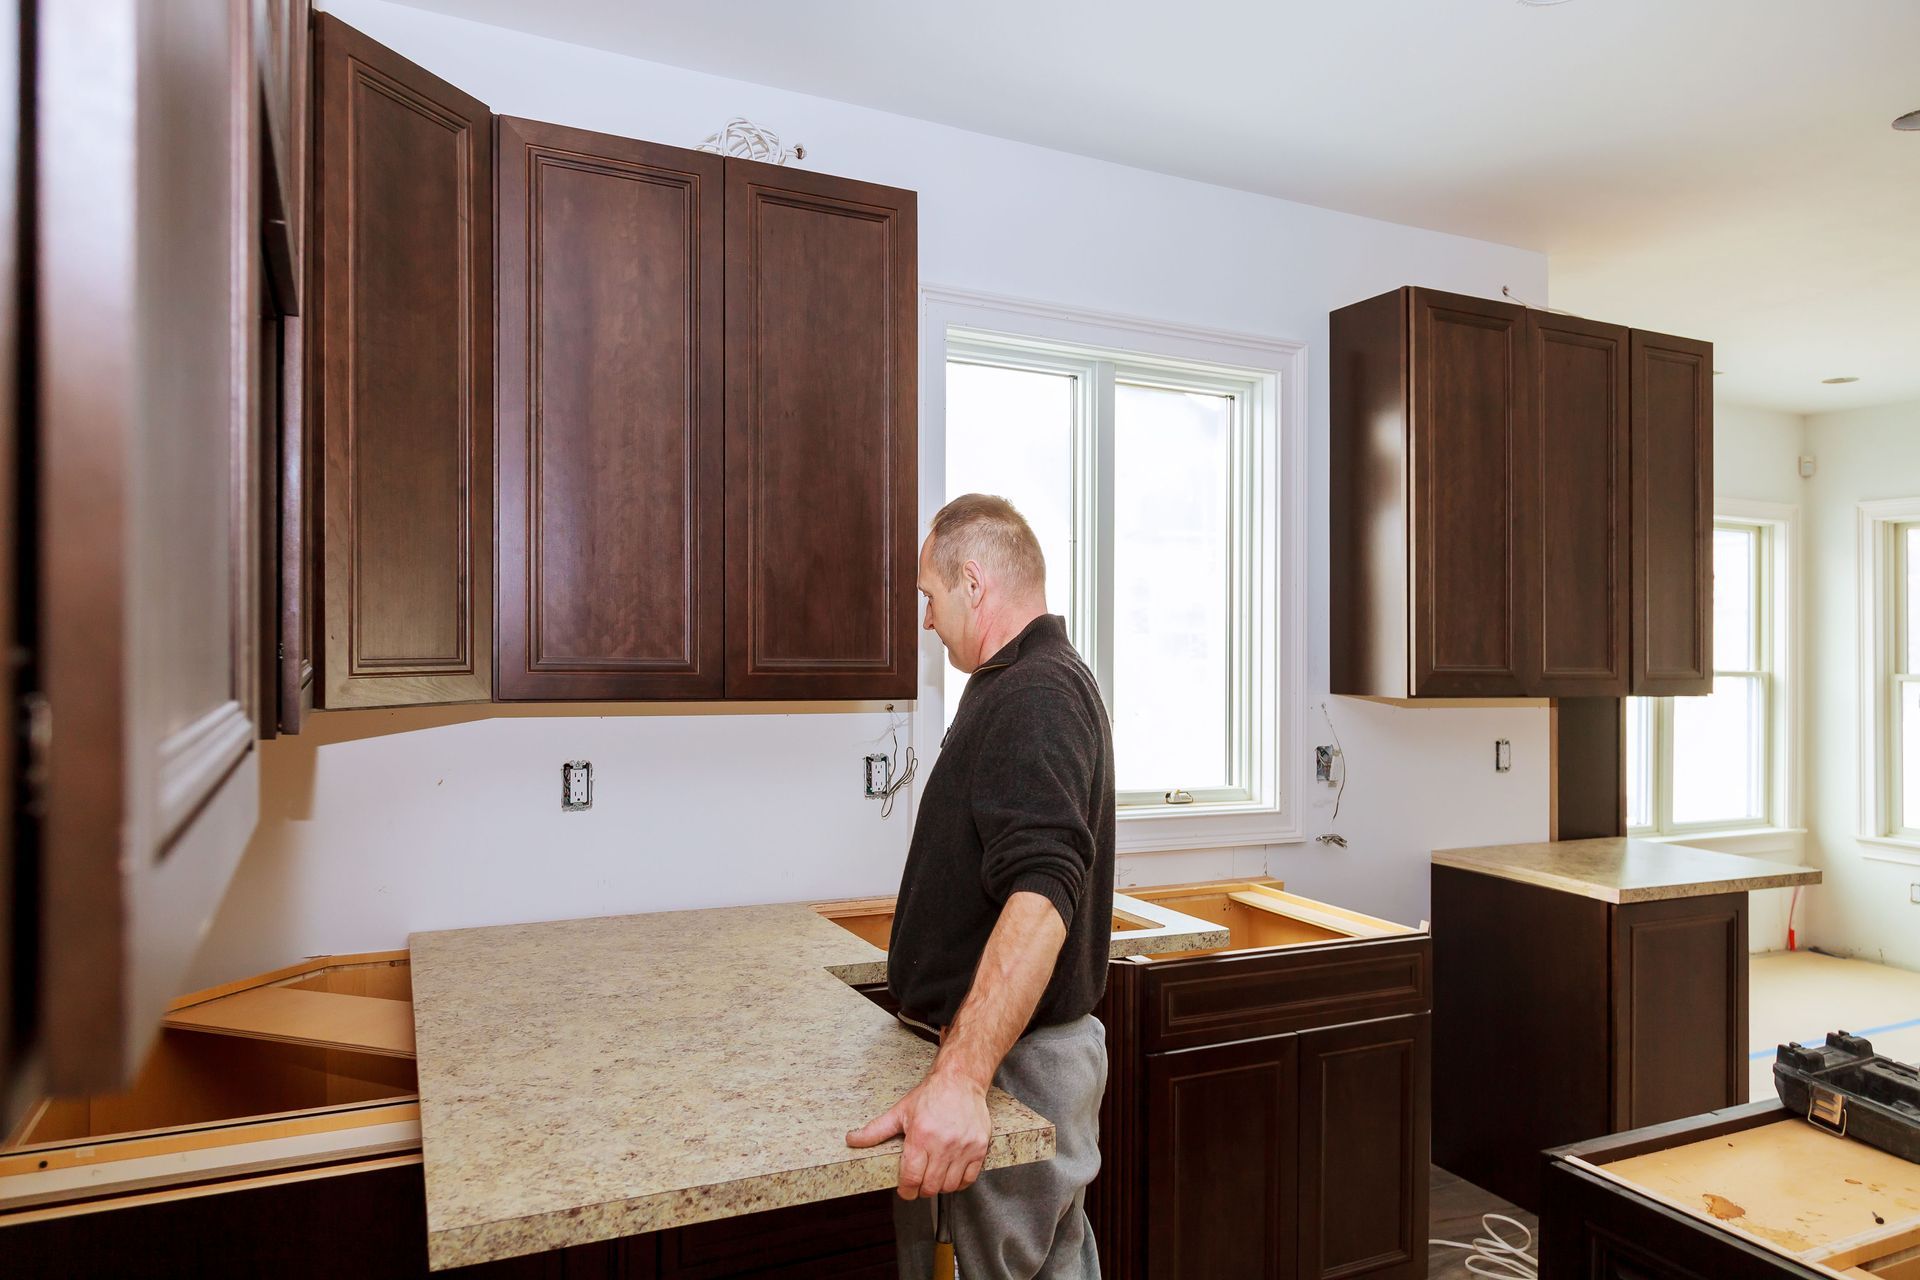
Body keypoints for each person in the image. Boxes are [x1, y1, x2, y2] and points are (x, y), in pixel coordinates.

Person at [846, 494, 1116, 1279]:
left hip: (1014, 1065)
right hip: (1016, 1056)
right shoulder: (1023, 683)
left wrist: (962, 1080)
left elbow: (1041, 892)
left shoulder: (1035, 694)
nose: (925, 621)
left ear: (973, 582)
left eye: (928, 597)